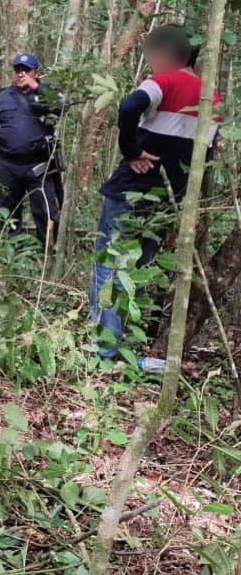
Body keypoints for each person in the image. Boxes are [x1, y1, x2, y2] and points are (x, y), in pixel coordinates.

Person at [89, 25, 221, 357]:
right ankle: (124, 342)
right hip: (168, 198)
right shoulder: (213, 96)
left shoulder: (164, 81)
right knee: (139, 266)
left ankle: (105, 348)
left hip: (132, 189)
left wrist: (131, 152)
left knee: (110, 261)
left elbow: (128, 106)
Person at [0, 53, 64, 244]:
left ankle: (48, 251)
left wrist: (38, 88)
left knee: (46, 211)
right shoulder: (2, 97)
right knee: (7, 212)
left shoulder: (47, 95)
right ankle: (10, 251)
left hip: (39, 165)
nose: (21, 74)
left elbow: (63, 105)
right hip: (8, 165)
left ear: (36, 73)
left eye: (26, 70)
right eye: (17, 70)